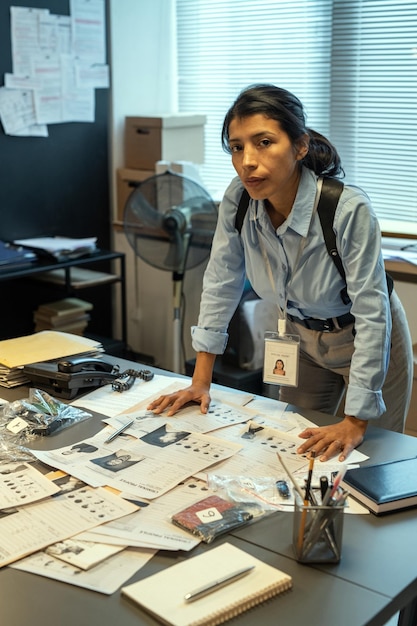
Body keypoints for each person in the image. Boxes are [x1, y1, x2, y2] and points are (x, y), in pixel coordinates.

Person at [148, 84, 413, 462]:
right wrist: (200, 381)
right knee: (292, 450)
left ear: (300, 146)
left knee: (376, 461)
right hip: (301, 339)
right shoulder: (238, 200)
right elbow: (221, 280)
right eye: (237, 147)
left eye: (264, 142)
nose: (247, 161)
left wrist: (355, 420)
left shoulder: (346, 209)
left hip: (365, 336)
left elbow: (372, 314)